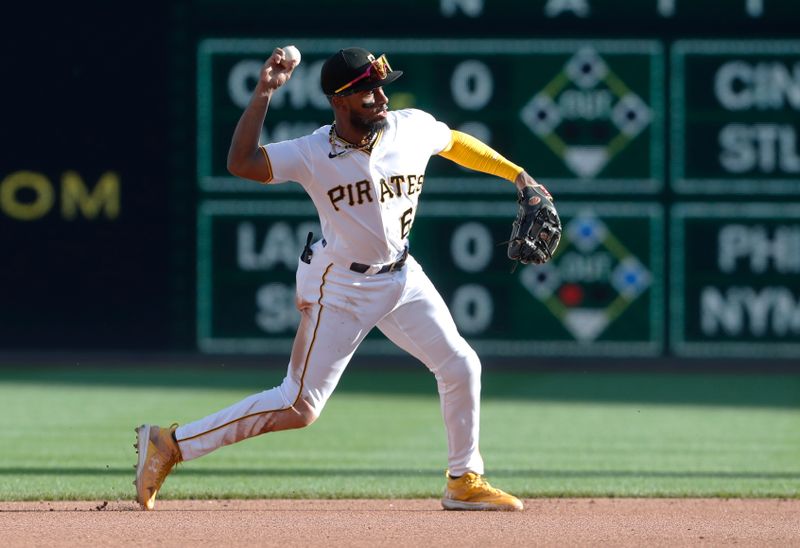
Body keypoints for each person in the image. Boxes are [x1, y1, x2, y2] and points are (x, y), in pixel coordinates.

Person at [135, 45, 553, 512]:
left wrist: (520, 177)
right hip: (341, 288)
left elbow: (455, 142)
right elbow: (242, 163)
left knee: (460, 365)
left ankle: (463, 479)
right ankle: (172, 444)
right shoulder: (313, 151)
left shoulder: (410, 128)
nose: (378, 96)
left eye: (379, 86)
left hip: (402, 275)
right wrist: (264, 93)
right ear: (339, 101)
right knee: (298, 407)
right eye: (365, 90)